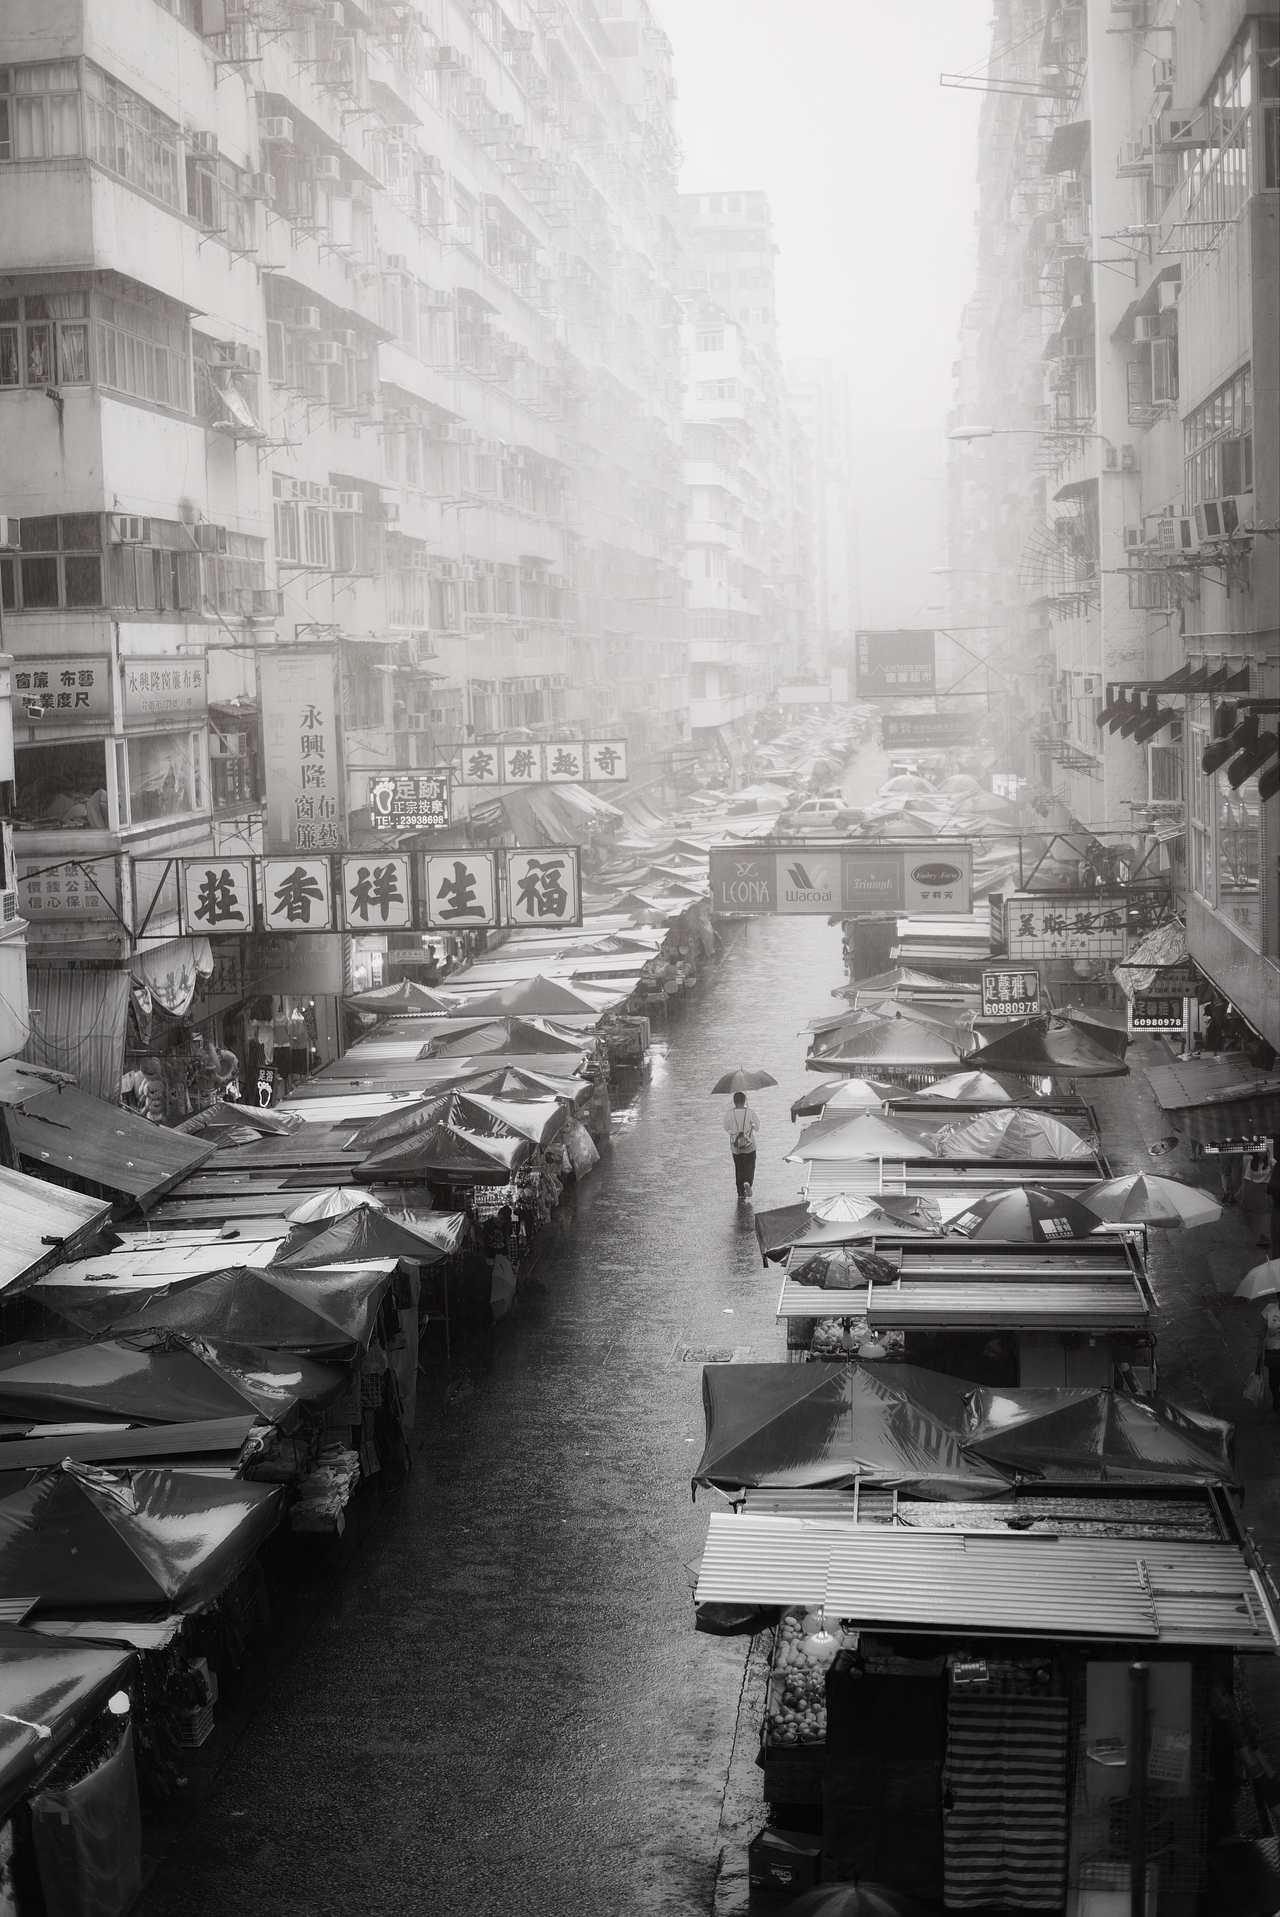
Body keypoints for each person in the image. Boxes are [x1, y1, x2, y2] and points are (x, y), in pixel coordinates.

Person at [723, 1090, 759, 1199]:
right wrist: (751, 1125)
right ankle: (747, 1182)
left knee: (739, 1168)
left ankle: (740, 1193)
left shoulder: (730, 1113)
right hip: (749, 1146)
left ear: (734, 1102)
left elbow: (726, 1127)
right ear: (744, 1101)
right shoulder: (750, 1112)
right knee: (750, 1167)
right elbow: (757, 1127)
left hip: (736, 1147)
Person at [1260, 1298, 1280, 1411]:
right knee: (1273, 1380)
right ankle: (1276, 1399)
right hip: (1273, 1351)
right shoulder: (1270, 1309)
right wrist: (1259, 1348)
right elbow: (1263, 1329)